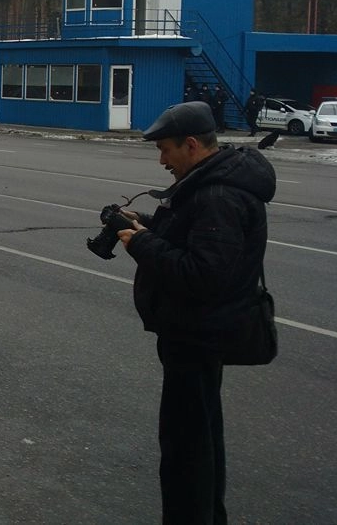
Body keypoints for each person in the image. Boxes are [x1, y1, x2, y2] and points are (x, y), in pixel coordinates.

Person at [115, 101, 276, 523]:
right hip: (195, 333)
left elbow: (202, 275)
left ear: (190, 145)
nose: (162, 161)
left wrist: (141, 244)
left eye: (165, 150)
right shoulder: (209, 184)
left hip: (198, 335)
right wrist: (143, 224)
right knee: (199, 439)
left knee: (187, 450)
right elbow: (191, 240)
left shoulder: (218, 196)